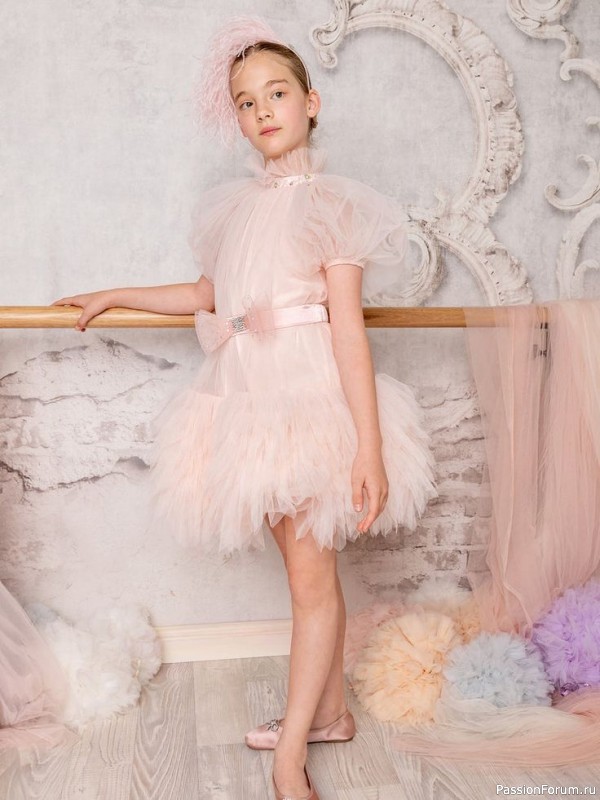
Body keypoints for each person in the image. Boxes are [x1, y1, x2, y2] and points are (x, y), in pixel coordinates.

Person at [52, 15, 437, 800]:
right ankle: (330, 714)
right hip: (245, 406)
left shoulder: (332, 206)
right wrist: (114, 293)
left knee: (309, 581)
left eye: (277, 93)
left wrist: (368, 447)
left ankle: (290, 753)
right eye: (245, 101)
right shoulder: (234, 210)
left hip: (308, 405)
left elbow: (349, 333)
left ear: (311, 102)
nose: (262, 110)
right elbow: (207, 293)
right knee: (307, 574)